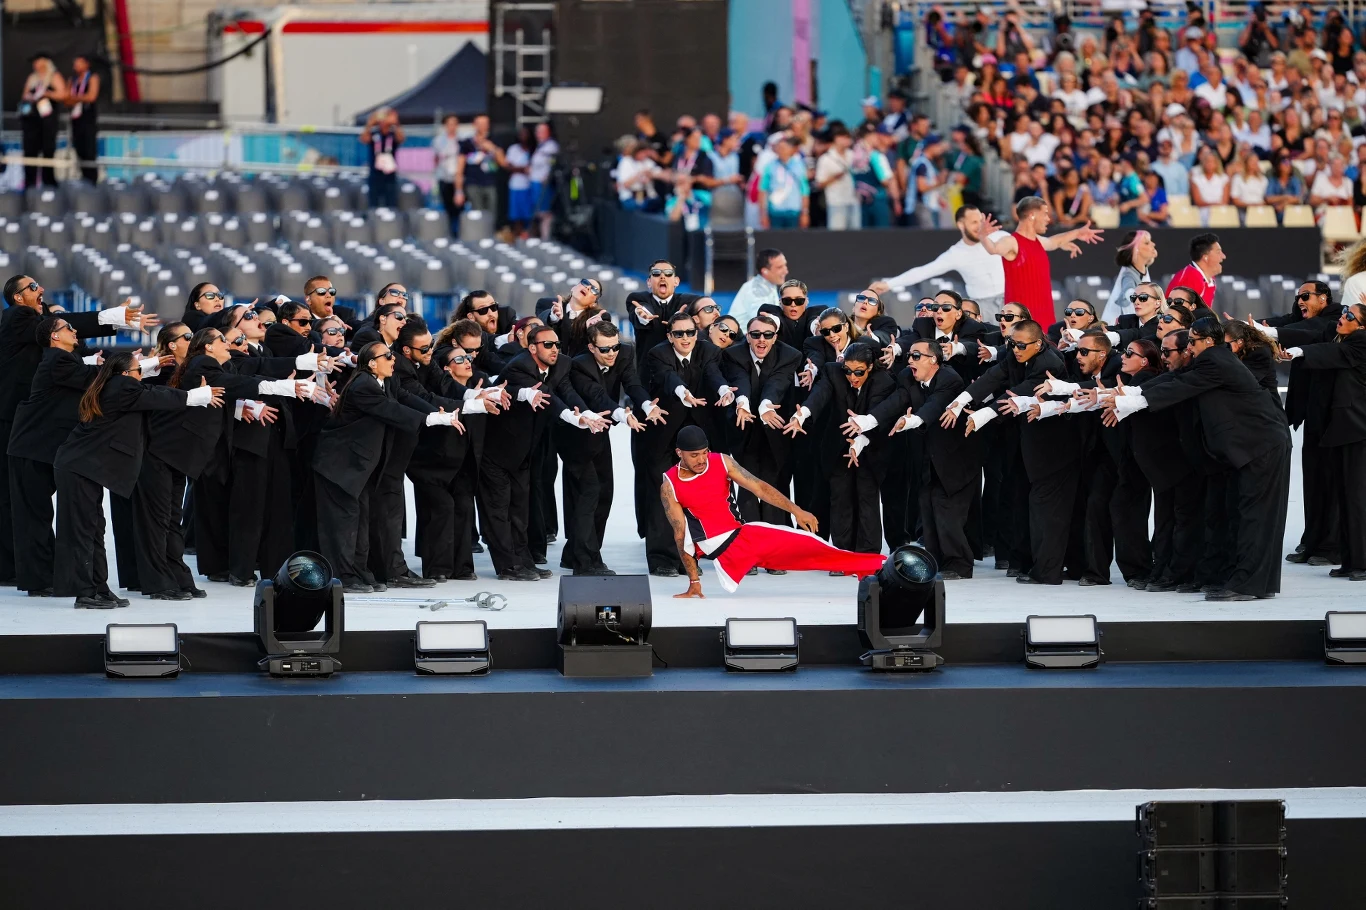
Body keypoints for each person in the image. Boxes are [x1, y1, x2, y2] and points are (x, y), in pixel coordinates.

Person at [1105, 318, 1292, 601]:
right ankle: (1254, 583)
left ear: (1208, 340)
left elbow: (1182, 385)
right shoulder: (1210, 359)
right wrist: (1130, 392)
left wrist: (1129, 402)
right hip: (1252, 447)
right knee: (1245, 517)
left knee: (1256, 518)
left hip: (1260, 445)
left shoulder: (1216, 361)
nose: (1189, 347)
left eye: (1192, 341)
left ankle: (1248, 585)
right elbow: (1174, 378)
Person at [0, 276, 150, 587]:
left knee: (28, 506)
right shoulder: (18, 317)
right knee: (24, 507)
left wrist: (137, 364)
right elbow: (61, 338)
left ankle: (35, 572)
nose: (41, 289)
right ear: (17, 298)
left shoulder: (56, 354)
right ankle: (32, 575)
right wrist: (111, 317)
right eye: (32, 287)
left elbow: (84, 371)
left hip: (37, 432)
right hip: (21, 429)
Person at [53, 354, 223, 609]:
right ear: (124, 374)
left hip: (81, 466)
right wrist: (194, 396)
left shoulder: (117, 386)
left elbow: (151, 392)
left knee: (95, 529)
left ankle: (99, 589)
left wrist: (150, 369)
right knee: (83, 531)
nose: (140, 376)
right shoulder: (121, 386)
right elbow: (156, 395)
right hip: (78, 467)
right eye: (137, 371)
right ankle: (85, 592)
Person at [662, 426, 887, 597]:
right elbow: (680, 535)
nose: (701, 459)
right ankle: (876, 565)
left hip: (744, 538)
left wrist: (796, 511)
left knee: (807, 552)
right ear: (679, 452)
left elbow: (760, 488)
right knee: (810, 546)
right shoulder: (670, 485)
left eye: (704, 452)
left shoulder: (722, 462)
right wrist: (694, 581)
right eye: (694, 455)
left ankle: (874, 566)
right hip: (726, 549)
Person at [313, 342, 461, 592]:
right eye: (388, 356)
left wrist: (443, 415)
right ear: (372, 363)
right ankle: (343, 578)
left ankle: (360, 573)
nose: (393, 359)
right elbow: (392, 410)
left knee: (360, 521)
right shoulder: (363, 385)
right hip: (338, 465)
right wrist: (432, 419)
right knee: (343, 524)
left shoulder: (386, 382)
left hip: (359, 467)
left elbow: (407, 398)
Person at [957, 318, 1080, 585]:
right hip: (1028, 445)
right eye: (1012, 344)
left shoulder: (1049, 363)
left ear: (1038, 343)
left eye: (1021, 345)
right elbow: (992, 377)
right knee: (1023, 505)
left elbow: (1017, 395)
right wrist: (961, 401)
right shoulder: (1015, 355)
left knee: (1047, 512)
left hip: (1054, 449)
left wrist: (983, 414)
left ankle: (1047, 571)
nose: (1015, 349)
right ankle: (1027, 563)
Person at [481, 325, 604, 581]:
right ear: (532, 348)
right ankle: (507, 566)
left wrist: (585, 413)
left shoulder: (562, 364)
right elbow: (549, 398)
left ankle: (524, 561)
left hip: (525, 450)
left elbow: (567, 392)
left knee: (520, 509)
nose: (554, 349)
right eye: (547, 345)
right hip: (497, 450)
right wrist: (574, 418)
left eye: (557, 344)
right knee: (499, 511)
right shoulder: (519, 366)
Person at [560, 320, 663, 575]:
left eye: (615, 347)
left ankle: (576, 554)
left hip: (600, 433)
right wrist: (623, 415)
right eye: (605, 349)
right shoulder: (579, 364)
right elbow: (596, 395)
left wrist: (647, 405)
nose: (612, 353)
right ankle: (586, 563)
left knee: (605, 493)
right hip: (575, 435)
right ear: (591, 347)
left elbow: (632, 383)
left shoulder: (625, 353)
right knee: (589, 493)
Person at [785, 342, 894, 557]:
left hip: (870, 445)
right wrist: (802, 414)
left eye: (859, 372)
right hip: (837, 447)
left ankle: (868, 554)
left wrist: (859, 442)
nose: (852, 377)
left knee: (867, 499)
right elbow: (819, 395)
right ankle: (842, 553)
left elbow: (878, 415)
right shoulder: (832, 372)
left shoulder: (884, 381)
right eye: (848, 370)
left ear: (870, 367)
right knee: (840, 499)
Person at [1281, 303, 1366, 580]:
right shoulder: (1341, 338)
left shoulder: (1361, 342)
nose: (1343, 317)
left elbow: (1333, 353)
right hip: (1340, 430)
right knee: (1344, 496)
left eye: (1350, 316)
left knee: (1356, 498)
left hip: (1357, 432)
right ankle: (1349, 560)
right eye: (1344, 312)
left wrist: (1300, 351)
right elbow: (1320, 341)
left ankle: (1361, 562)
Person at [640, 312, 728, 576]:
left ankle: (688, 558)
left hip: (698, 436)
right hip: (663, 436)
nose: (685, 338)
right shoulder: (658, 353)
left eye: (690, 332)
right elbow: (668, 377)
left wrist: (723, 390)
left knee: (694, 497)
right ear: (670, 336)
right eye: (679, 333)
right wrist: (684, 393)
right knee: (663, 496)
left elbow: (713, 374)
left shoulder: (709, 351)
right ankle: (661, 558)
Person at [409, 344, 495, 581]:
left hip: (463, 464)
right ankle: (437, 568)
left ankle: (462, 567)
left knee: (464, 508)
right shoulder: (436, 394)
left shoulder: (478, 387)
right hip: (432, 465)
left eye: (467, 357)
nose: (467, 361)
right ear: (446, 368)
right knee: (440, 509)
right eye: (459, 359)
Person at [718, 316, 802, 535]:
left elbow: (778, 382)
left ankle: (776, 543)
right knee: (747, 486)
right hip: (744, 427)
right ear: (748, 337)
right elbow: (739, 379)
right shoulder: (733, 354)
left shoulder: (790, 355)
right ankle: (750, 542)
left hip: (774, 428)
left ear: (775, 338)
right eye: (756, 335)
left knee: (774, 486)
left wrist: (765, 406)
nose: (761, 339)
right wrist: (742, 403)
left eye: (767, 335)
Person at [981, 197, 1104, 326]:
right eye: (1045, 214)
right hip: (1023, 325)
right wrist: (982, 236)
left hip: (1045, 320)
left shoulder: (1038, 241)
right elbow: (994, 248)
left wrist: (1077, 233)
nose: (1048, 219)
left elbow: (1054, 241)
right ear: (1032, 215)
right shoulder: (1012, 241)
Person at [872, 205, 1009, 320]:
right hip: (980, 307)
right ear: (961, 225)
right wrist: (888, 284)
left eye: (980, 221)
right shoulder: (956, 253)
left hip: (1010, 299)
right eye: (974, 222)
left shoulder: (1001, 236)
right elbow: (923, 271)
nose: (979, 226)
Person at [627, 259, 698, 367]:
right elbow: (642, 308)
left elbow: (693, 309)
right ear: (649, 282)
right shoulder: (637, 299)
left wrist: (679, 319)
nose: (662, 277)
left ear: (676, 281)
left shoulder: (689, 301)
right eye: (656, 273)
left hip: (681, 370)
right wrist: (643, 315)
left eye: (668, 273)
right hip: (648, 370)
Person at [19, 53, 65, 188]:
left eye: (37, 61)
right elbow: (24, 95)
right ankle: (30, 182)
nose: (35, 65)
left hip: (47, 120)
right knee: (30, 150)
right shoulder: (32, 78)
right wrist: (29, 97)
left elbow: (62, 94)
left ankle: (48, 181)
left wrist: (47, 93)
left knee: (48, 150)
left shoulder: (54, 76)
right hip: (32, 120)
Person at [458, 114, 507, 222]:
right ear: (474, 125)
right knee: (477, 213)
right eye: (480, 123)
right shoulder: (467, 143)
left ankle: (490, 231)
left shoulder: (495, 140)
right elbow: (460, 168)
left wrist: (492, 149)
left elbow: (504, 163)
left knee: (491, 214)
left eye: (486, 123)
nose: (483, 126)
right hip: (472, 183)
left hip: (490, 183)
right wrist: (458, 191)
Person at [1103, 230, 1159, 322]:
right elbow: (1128, 292)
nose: (1153, 244)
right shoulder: (1128, 275)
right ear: (1136, 249)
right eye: (1146, 243)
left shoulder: (1142, 271)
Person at [758, 136, 810, 229]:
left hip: (794, 210)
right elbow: (763, 190)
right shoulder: (770, 166)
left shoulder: (799, 166)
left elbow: (804, 191)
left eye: (784, 148)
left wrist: (805, 212)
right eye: (779, 148)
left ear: (791, 149)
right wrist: (763, 214)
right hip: (775, 211)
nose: (782, 151)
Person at [728, 248, 788, 329]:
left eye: (785, 265)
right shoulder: (756, 290)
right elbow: (762, 323)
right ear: (765, 271)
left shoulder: (768, 284)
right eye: (780, 267)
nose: (786, 271)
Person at [64, 54, 100, 184]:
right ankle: (84, 177)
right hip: (76, 119)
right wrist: (75, 99)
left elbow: (91, 96)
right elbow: (66, 99)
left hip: (88, 119)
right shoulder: (72, 80)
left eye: (79, 63)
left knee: (89, 151)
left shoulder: (92, 78)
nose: (76, 66)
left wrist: (76, 98)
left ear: (86, 64)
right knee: (79, 151)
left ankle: (92, 180)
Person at [360, 107, 404, 209]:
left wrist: (396, 123)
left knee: (391, 200)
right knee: (374, 201)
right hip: (375, 172)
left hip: (389, 173)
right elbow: (364, 139)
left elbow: (401, 139)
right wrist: (370, 123)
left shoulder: (392, 134)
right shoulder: (375, 133)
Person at [1166, 233, 1225, 306]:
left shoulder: (1210, 279)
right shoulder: (1192, 277)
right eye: (1218, 252)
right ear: (1205, 257)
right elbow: (1180, 311)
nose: (1223, 256)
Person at [433, 114, 463, 235]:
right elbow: (435, 159)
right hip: (444, 177)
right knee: (447, 207)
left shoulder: (462, 140)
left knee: (459, 207)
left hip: (459, 178)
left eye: (454, 124)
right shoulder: (438, 141)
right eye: (449, 124)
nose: (452, 127)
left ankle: (460, 232)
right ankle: (449, 232)